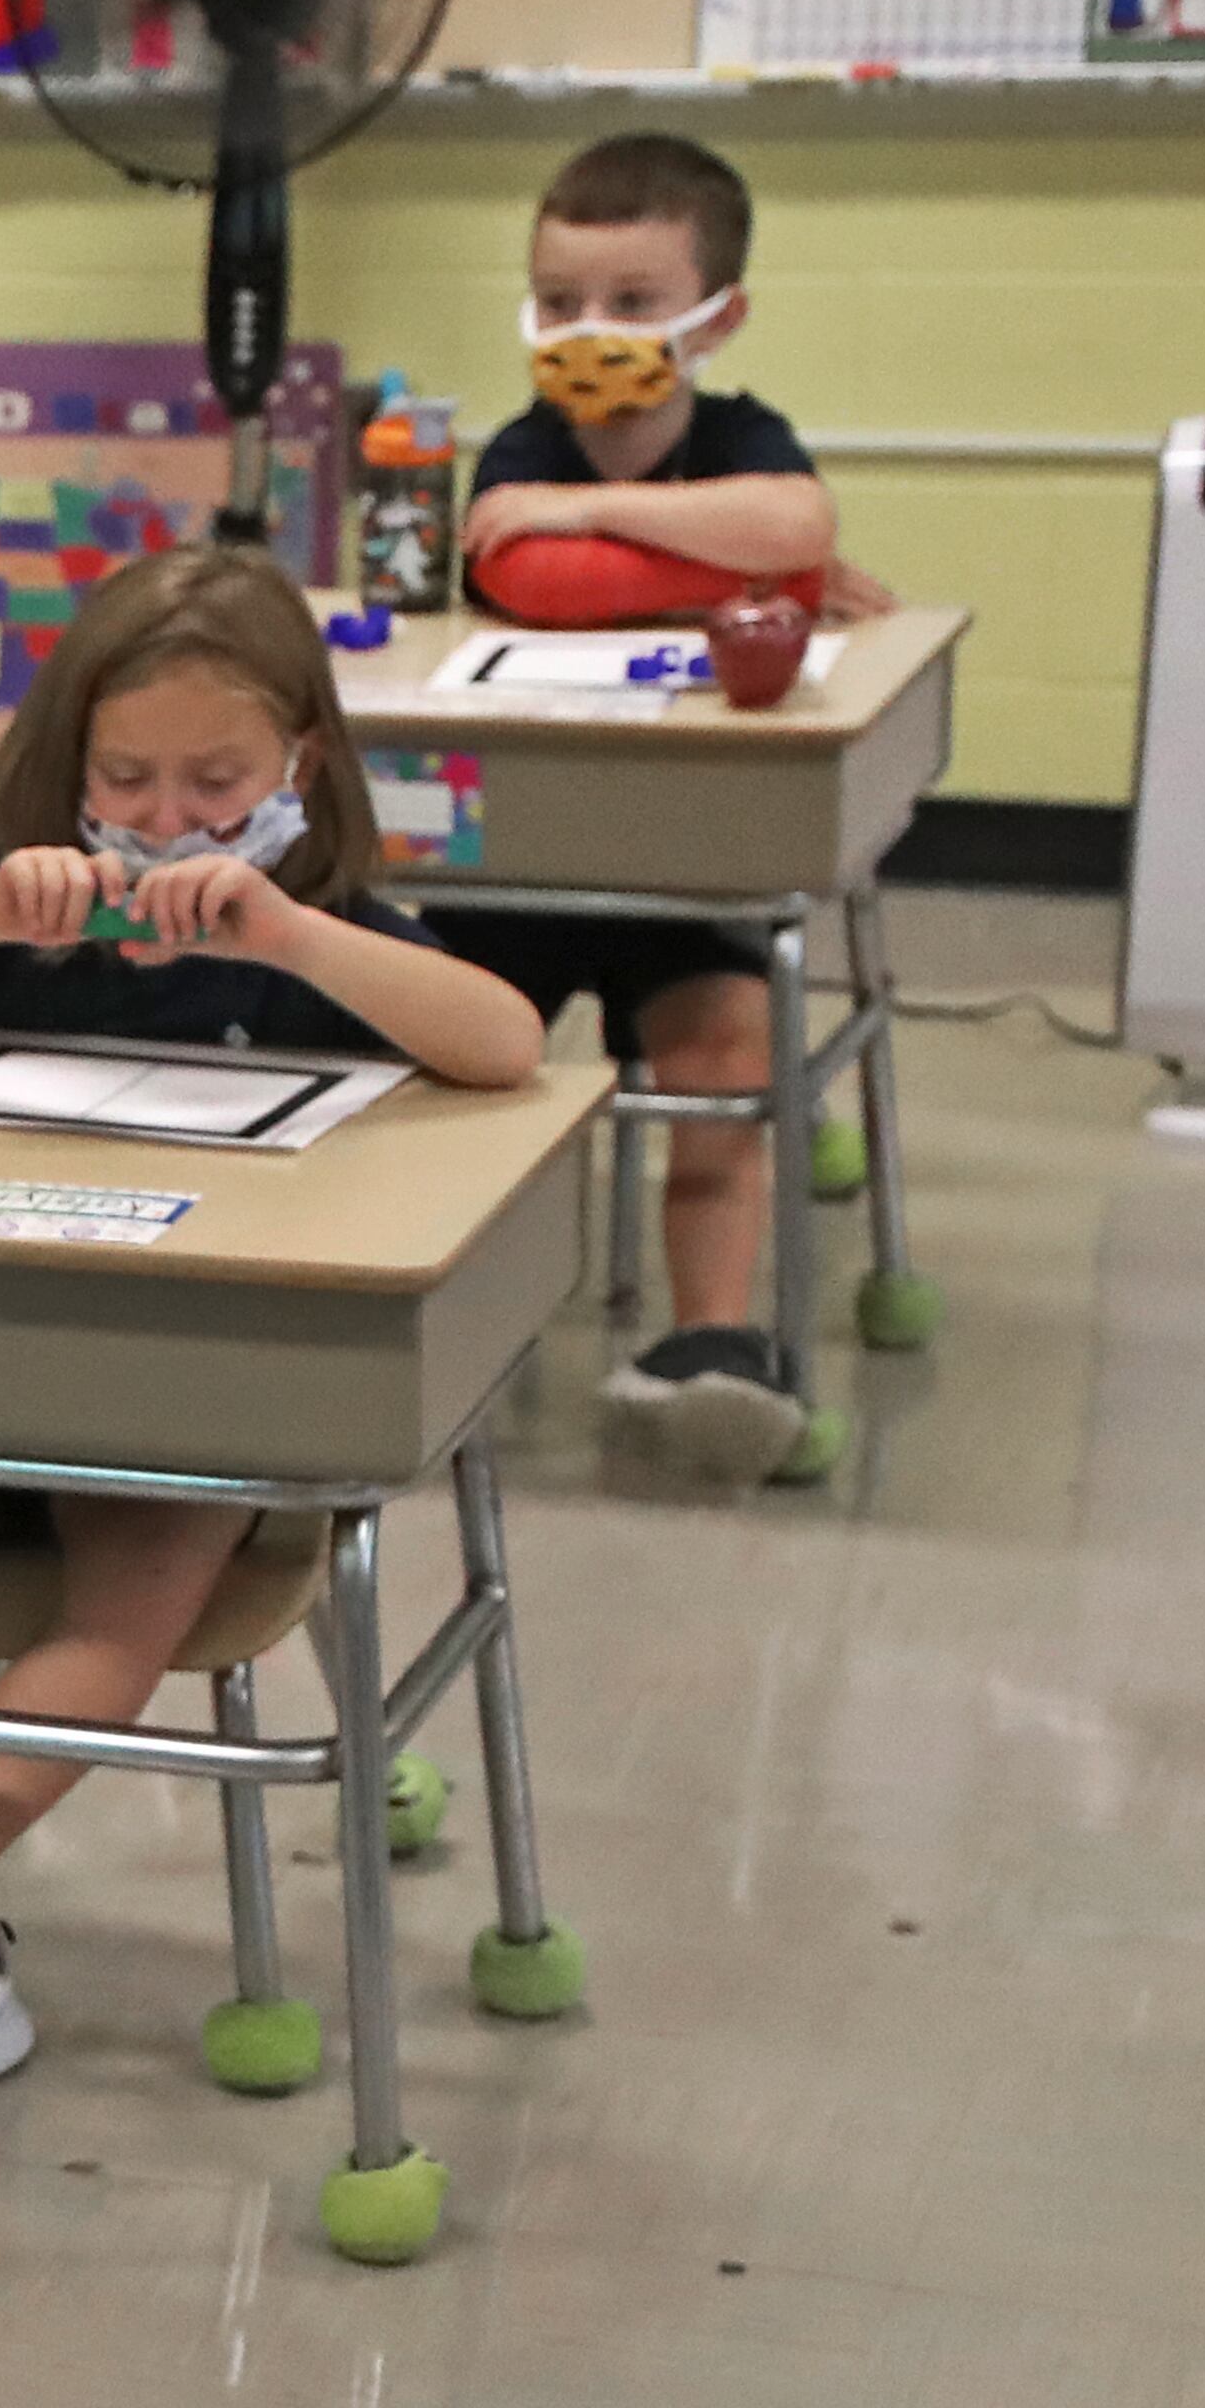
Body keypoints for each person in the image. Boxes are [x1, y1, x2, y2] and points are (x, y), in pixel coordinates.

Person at [0, 546, 543, 2143]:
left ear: (298, 769)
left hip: (186, 1398)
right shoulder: (36, 917)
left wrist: (291, 938)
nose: (168, 817)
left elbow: (506, 1040)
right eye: (128, 777)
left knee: (135, 1589)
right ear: (73, 767)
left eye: (216, 779)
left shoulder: (331, 933)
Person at [453, 131, 838, 1482]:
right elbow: (529, 582)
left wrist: (582, 532)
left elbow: (797, 525)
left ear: (713, 318)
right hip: (502, 868)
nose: (586, 334)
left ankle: (714, 1350)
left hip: (687, 867)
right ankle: (431, 1320)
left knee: (727, 1047)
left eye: (627, 305)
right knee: (425, 1054)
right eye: (559, 303)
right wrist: (726, 574)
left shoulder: (744, 436)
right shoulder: (519, 444)